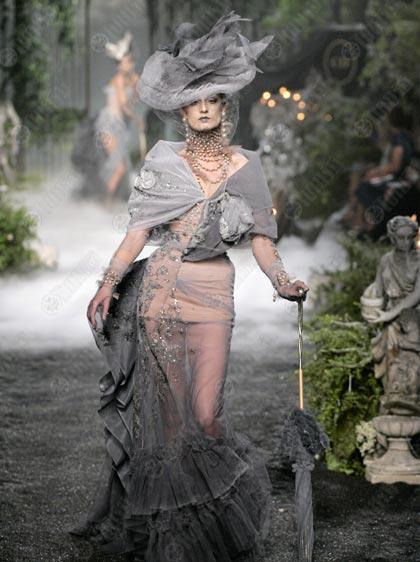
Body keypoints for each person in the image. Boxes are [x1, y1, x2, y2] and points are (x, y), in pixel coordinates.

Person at [68, 12, 309, 561]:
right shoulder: (162, 160)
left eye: (213, 99)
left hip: (214, 294)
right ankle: (177, 539)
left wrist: (283, 280)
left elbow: (262, 242)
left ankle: (211, 524)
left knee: (207, 417)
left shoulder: (247, 167)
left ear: (225, 107)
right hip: (160, 294)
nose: (203, 108)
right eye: (194, 100)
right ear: (181, 109)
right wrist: (107, 285)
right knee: (171, 422)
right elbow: (136, 234)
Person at [71, 31, 145, 205]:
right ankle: (105, 203)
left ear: (131, 61)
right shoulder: (118, 79)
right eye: (117, 62)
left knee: (121, 166)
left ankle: (107, 201)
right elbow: (123, 104)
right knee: (117, 166)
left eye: (122, 61)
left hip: (121, 127)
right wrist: (137, 119)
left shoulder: (134, 78)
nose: (119, 65)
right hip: (107, 124)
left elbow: (142, 91)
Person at [350, 106, 415, 237]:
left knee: (366, 187)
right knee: (366, 184)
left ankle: (368, 227)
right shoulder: (404, 137)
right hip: (399, 177)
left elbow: (395, 165)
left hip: (398, 179)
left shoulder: (400, 139)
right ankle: (362, 226)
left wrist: (376, 172)